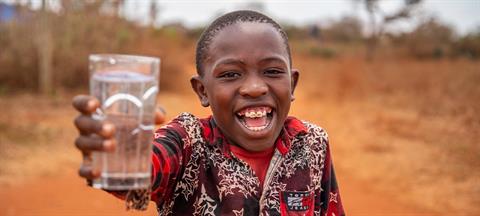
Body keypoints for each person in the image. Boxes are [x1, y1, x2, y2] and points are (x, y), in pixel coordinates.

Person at [73, 10, 345, 216]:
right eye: (230, 74)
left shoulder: (311, 144)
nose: (254, 88)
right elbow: (143, 170)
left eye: (272, 71)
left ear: (292, 83)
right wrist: (116, 151)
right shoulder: (188, 142)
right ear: (202, 90)